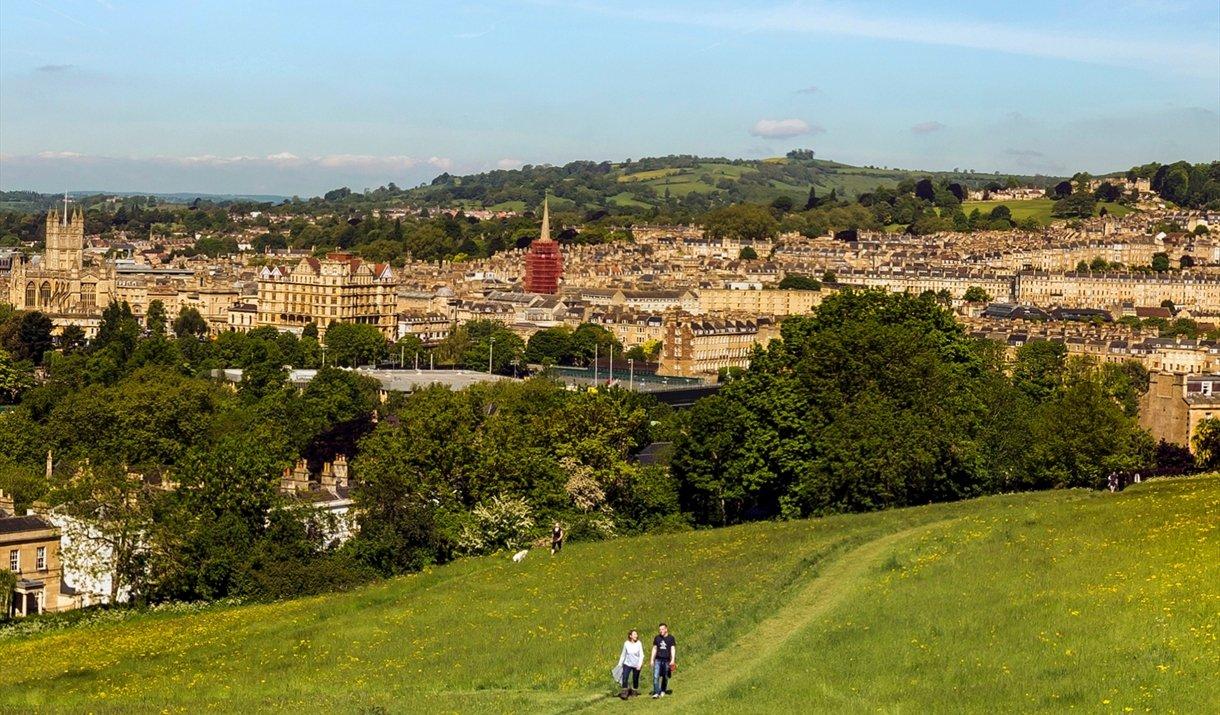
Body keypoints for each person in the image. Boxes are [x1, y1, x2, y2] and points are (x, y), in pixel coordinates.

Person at [615, 629, 644, 699]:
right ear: (630, 636)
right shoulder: (626, 643)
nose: (636, 636)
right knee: (625, 678)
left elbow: (641, 655)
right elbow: (623, 655)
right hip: (627, 664)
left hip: (636, 664)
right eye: (634, 634)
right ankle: (624, 693)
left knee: (635, 679)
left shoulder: (639, 643)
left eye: (636, 634)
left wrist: (639, 665)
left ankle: (634, 691)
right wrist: (619, 664)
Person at [650, 623, 676, 699]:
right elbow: (654, 648)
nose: (661, 631)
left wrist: (673, 659)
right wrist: (652, 659)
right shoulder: (657, 638)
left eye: (662, 629)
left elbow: (672, 649)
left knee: (665, 676)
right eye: (660, 629)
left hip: (667, 660)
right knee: (656, 676)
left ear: (666, 629)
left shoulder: (671, 638)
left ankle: (663, 690)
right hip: (658, 659)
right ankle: (656, 692)